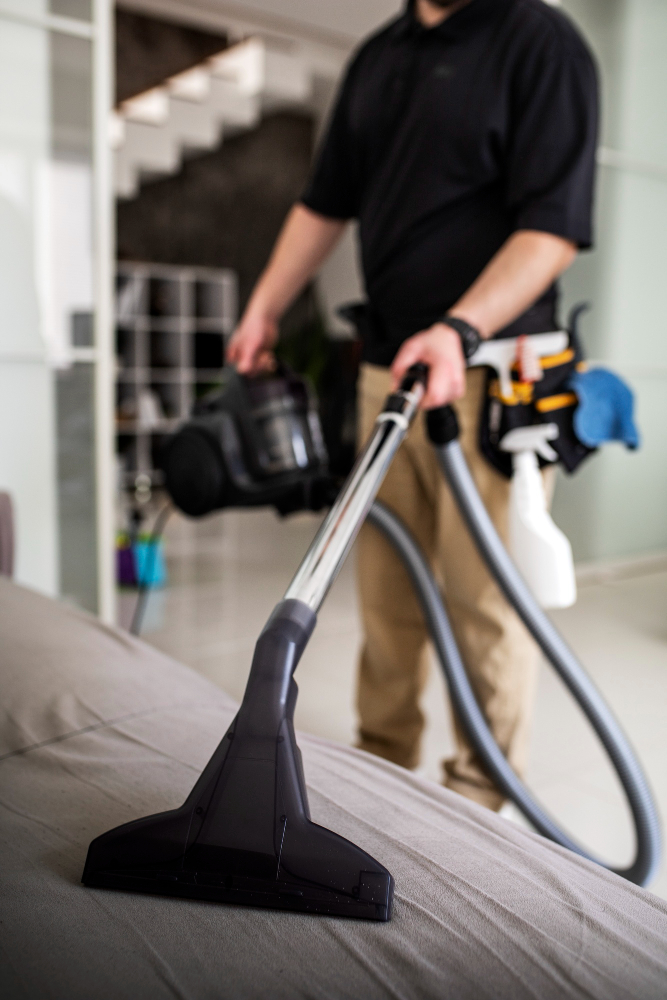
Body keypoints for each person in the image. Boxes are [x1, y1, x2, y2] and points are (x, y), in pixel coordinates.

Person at [228, 0, 598, 810]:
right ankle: (380, 774)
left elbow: (551, 228)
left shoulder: (540, 43)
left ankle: (478, 801)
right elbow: (324, 203)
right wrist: (264, 308)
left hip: (491, 377)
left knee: (483, 606)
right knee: (387, 599)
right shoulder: (377, 57)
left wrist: (458, 329)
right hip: (387, 371)